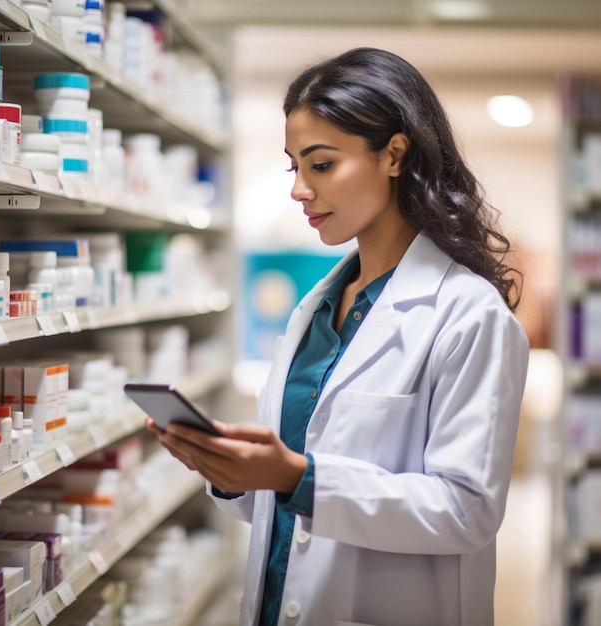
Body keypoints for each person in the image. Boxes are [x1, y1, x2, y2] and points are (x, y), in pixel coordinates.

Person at [146, 47, 530, 626]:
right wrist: (231, 476)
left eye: (321, 165)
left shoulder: (467, 315)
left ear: (394, 155)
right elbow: (288, 510)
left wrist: (298, 478)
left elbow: (466, 510)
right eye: (293, 166)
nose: (299, 190)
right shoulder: (315, 309)